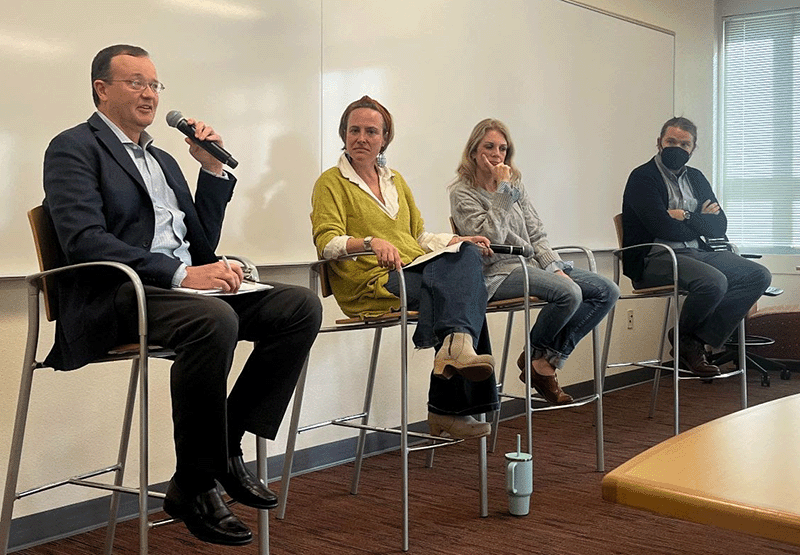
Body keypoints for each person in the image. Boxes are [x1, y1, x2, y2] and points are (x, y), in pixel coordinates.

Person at [42, 44, 322, 546]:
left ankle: (223, 450)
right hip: (117, 294)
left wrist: (211, 171)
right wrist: (179, 275)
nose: (149, 94)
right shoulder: (73, 148)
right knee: (214, 320)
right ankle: (195, 485)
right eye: (136, 83)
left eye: (154, 84)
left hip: (174, 293)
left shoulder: (166, 160)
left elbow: (202, 244)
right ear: (101, 90)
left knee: (298, 306)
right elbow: (85, 239)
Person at [310, 96, 499, 439]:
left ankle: (455, 350)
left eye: (371, 131)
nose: (362, 138)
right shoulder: (331, 182)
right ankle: (447, 402)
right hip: (371, 281)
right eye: (354, 130)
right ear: (344, 134)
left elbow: (418, 236)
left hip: (412, 270)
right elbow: (327, 242)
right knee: (466, 295)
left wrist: (455, 241)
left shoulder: (395, 180)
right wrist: (369, 243)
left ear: (384, 138)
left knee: (467, 259)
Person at [450, 119, 619, 405]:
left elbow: (537, 233)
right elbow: (489, 237)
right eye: (489, 147)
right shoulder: (462, 192)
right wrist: (502, 191)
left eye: (502, 149)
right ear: (474, 152)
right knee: (569, 293)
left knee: (606, 291)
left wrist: (554, 268)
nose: (496, 154)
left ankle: (543, 360)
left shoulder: (516, 185)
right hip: (497, 273)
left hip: (534, 266)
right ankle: (537, 362)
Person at [622, 116, 771, 376]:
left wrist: (685, 215)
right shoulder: (643, 177)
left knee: (758, 275)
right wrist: (701, 219)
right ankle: (689, 342)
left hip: (697, 253)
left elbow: (719, 226)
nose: (677, 149)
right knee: (713, 282)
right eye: (671, 142)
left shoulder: (697, 178)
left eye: (684, 144)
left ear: (693, 149)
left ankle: (690, 340)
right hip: (655, 256)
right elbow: (662, 228)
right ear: (659, 143)